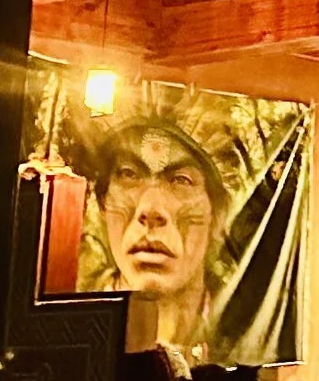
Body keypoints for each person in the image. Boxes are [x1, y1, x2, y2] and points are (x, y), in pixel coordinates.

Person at [91, 118, 227, 356]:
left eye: (181, 180)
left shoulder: (242, 329)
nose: (151, 210)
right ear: (103, 203)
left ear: (218, 214)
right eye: (129, 174)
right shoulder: (75, 324)